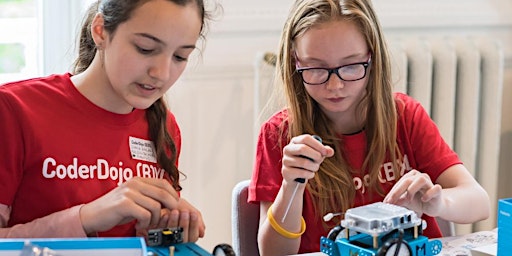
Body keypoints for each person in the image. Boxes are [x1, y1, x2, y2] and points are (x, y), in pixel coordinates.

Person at [248, 0, 491, 254]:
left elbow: (479, 202)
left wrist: (440, 202)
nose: (335, 86)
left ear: (372, 58)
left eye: (351, 66)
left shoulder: (405, 118)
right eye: (317, 69)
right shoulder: (279, 135)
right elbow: (273, 252)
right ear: (295, 63)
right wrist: (291, 186)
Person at [0, 0, 210, 242]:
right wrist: (88, 217)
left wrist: (170, 231)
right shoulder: (14, 109)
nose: (162, 73)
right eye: (145, 48)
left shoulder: (164, 127)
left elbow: (144, 242)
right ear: (100, 30)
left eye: (180, 57)